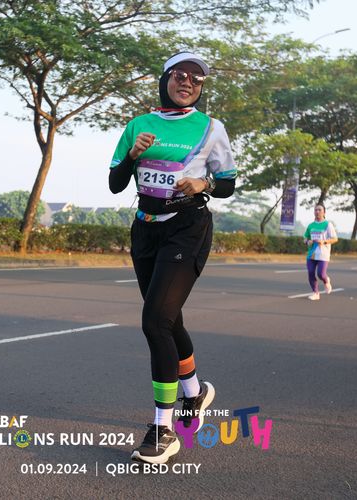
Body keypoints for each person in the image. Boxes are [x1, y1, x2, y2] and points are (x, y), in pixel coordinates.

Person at [108, 52, 236, 464]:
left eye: (197, 79)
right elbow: (114, 184)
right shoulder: (138, 125)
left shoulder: (211, 129)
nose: (188, 83)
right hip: (146, 228)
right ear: (165, 79)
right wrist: (132, 156)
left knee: (155, 321)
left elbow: (228, 183)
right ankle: (194, 394)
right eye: (181, 75)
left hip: (187, 227)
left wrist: (205, 183)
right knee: (168, 319)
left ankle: (163, 430)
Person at [303, 204, 338, 300]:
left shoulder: (328, 224)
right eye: (315, 210)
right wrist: (307, 241)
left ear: (324, 212)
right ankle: (316, 293)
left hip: (323, 254)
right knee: (310, 273)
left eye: (319, 210)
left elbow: (335, 239)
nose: (317, 212)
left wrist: (324, 242)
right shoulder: (311, 225)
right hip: (311, 253)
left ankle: (326, 280)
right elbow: (305, 237)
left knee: (321, 274)